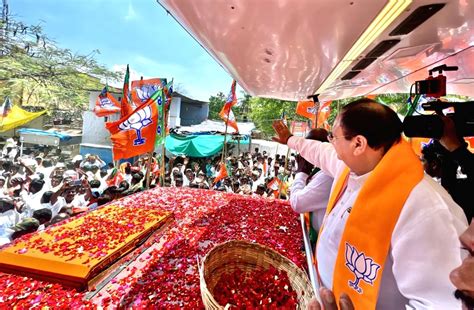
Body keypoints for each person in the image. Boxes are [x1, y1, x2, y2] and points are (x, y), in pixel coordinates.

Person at [272, 98, 467, 308]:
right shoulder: (353, 166)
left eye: (333, 136)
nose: (330, 142)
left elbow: (443, 303)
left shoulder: (427, 207)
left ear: (358, 144)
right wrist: (290, 139)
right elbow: (319, 152)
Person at [290, 128, 333, 239]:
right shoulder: (320, 170)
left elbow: (298, 203)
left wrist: (301, 173)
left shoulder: (328, 175)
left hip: (322, 239)